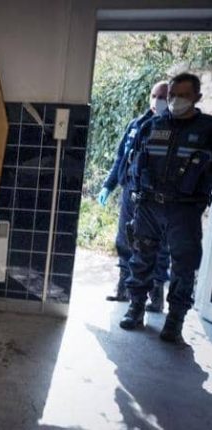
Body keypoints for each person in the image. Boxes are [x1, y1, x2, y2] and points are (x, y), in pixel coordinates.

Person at [119, 72, 212, 343]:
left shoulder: (208, 130)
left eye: (183, 95)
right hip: (149, 205)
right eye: (172, 95)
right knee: (141, 258)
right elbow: (135, 162)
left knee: (183, 265)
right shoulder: (152, 125)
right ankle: (136, 308)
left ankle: (175, 321)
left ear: (197, 97)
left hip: (185, 209)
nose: (175, 100)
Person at [99, 81, 170, 312]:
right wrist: (108, 186)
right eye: (154, 95)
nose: (157, 101)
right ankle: (123, 288)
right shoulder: (136, 124)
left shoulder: (173, 129)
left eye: (163, 97)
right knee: (124, 240)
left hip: (155, 199)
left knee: (157, 248)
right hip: (130, 193)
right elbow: (121, 158)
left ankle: (156, 295)